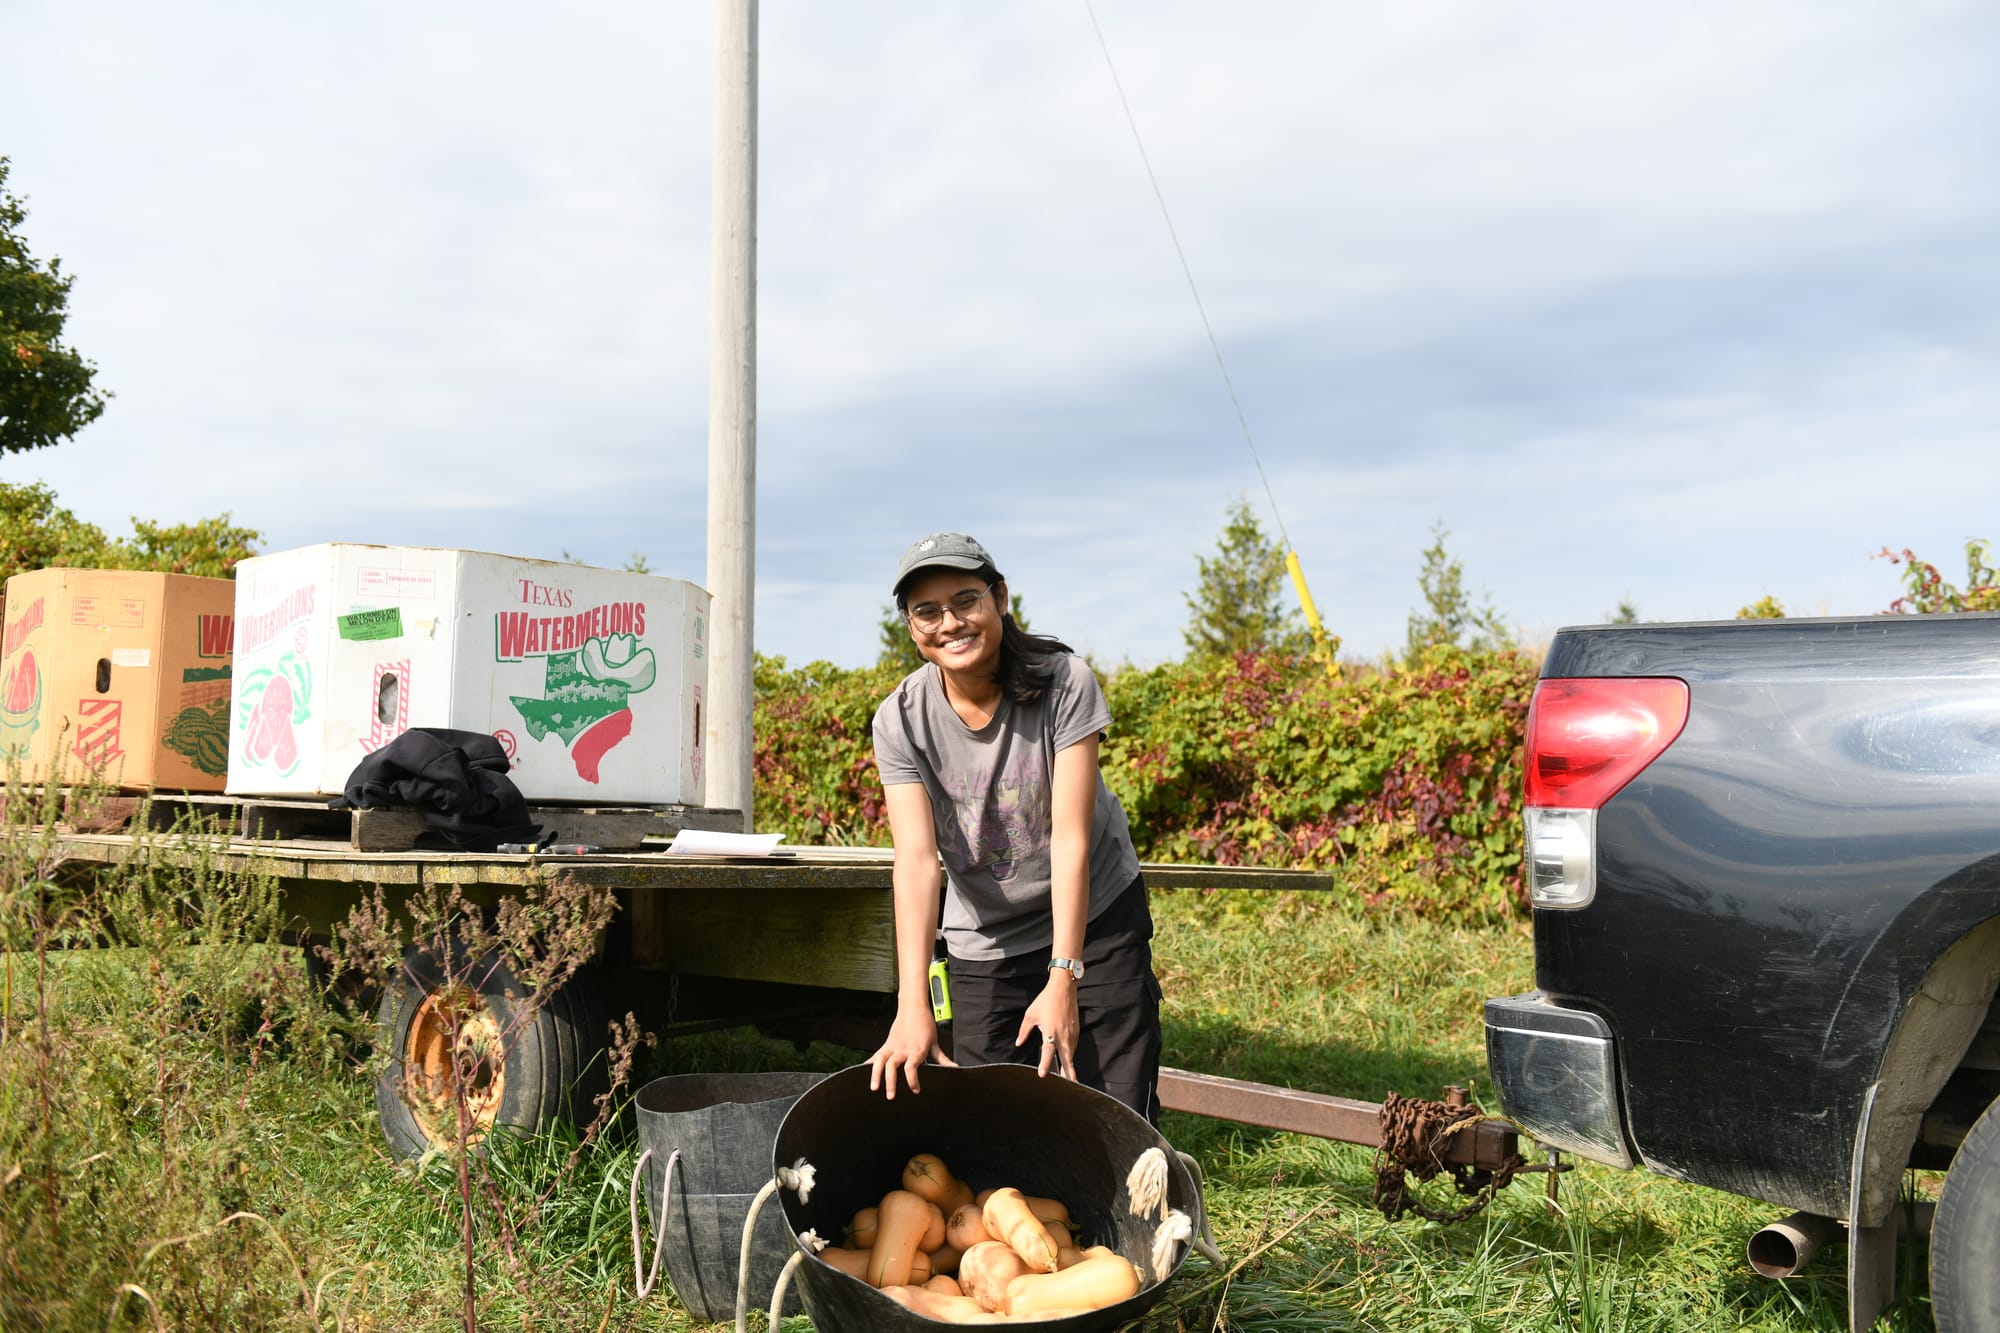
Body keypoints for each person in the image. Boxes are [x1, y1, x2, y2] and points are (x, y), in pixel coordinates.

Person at [865, 532, 1163, 1122]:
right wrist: (912, 1002)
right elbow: (918, 862)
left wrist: (1063, 976)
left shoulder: (1063, 683)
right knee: (991, 1117)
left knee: (1113, 1108)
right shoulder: (899, 720)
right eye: (927, 610)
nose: (949, 622)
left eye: (965, 600)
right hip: (986, 937)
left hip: (1094, 918)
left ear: (1000, 598)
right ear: (910, 625)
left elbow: (1071, 840)